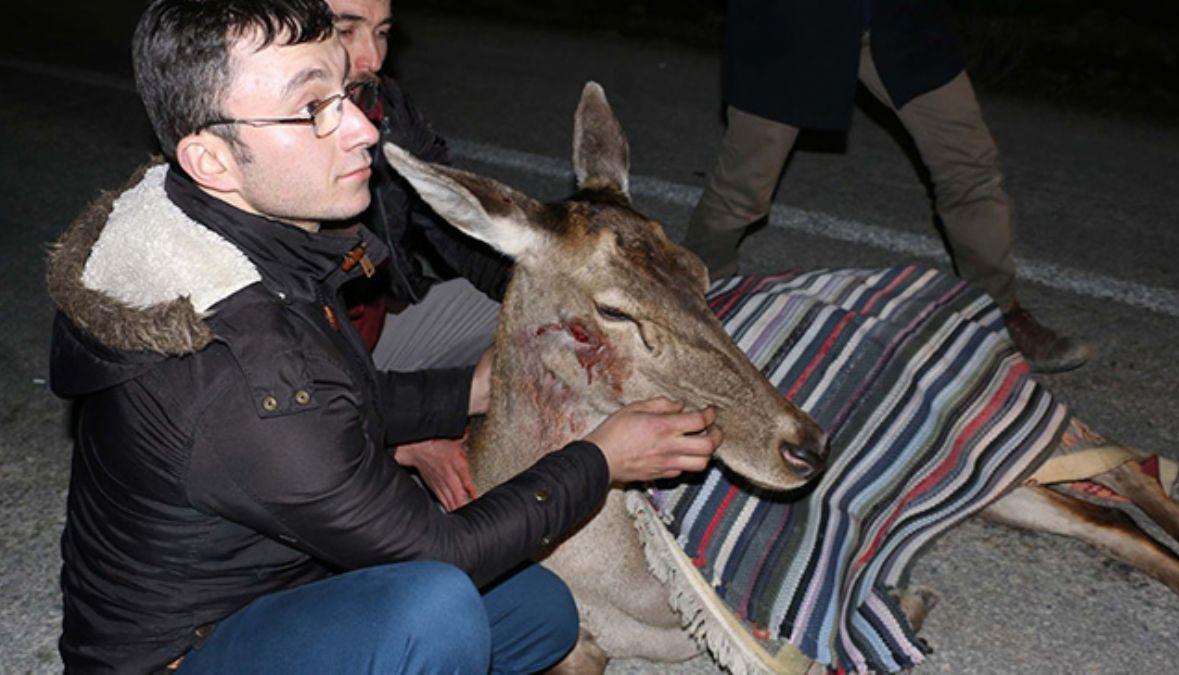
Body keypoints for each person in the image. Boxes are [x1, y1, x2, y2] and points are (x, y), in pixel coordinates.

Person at [46, 0, 720, 671]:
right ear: (212, 158)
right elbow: (438, 549)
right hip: (179, 652)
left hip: (279, 588)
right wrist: (601, 456)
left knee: (539, 608)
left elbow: (343, 396)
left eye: (347, 94)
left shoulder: (234, 236)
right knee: (434, 606)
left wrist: (470, 389)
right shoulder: (243, 367)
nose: (364, 130)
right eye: (314, 110)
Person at [682, 0, 1094, 373]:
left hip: (898, 19)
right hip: (796, 19)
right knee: (743, 190)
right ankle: (694, 294)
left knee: (969, 163)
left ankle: (997, 313)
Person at [325, 0, 508, 512]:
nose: (372, 59)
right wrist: (410, 439)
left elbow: (457, 224)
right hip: (317, 389)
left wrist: (546, 289)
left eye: (382, 33)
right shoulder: (260, 150)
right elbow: (280, 381)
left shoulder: (381, 110)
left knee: (550, 306)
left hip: (378, 333)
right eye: (345, 29)